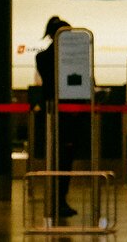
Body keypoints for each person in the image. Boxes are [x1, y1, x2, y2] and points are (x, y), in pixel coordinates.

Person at [35, 16, 86, 218]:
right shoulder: (54, 58)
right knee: (63, 159)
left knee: (61, 158)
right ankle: (58, 200)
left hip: (57, 114)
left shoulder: (43, 57)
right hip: (64, 115)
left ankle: (59, 199)